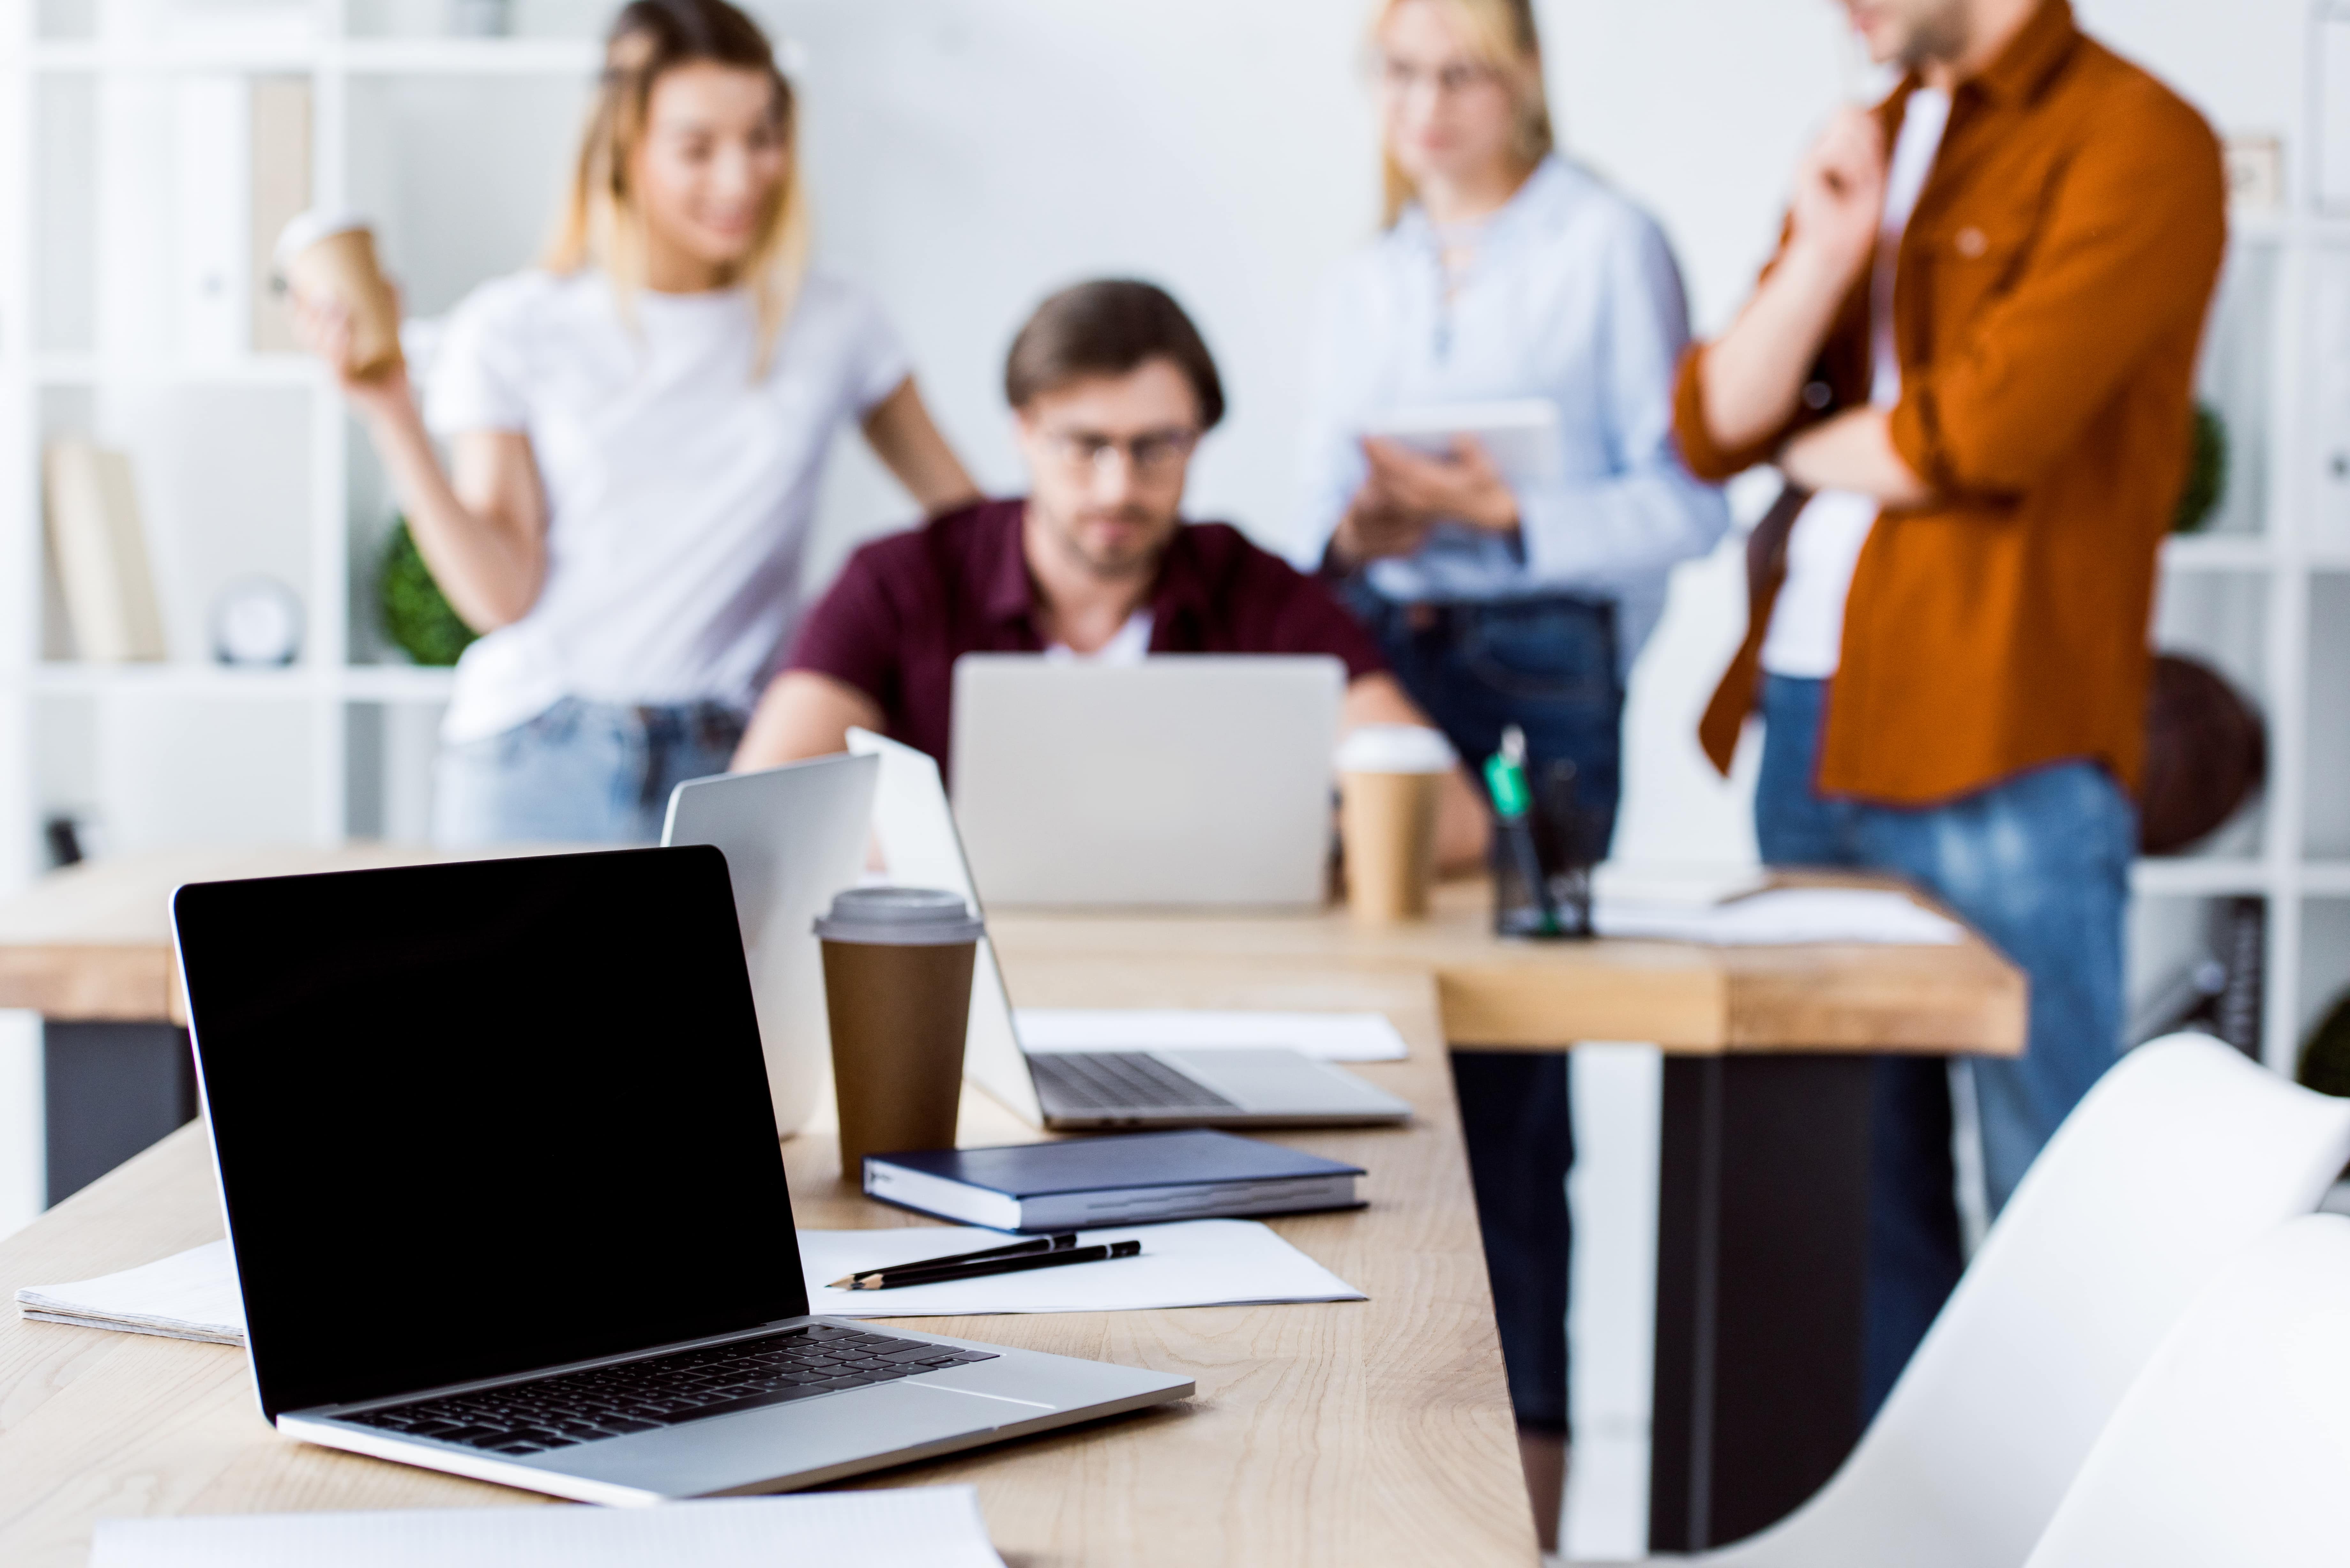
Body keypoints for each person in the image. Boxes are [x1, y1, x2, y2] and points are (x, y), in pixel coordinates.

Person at [1676, 0, 2225, 1414]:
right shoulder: (1871, 136)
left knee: (2053, 1183)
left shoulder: (2138, 139)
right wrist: (1827, 252)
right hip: (1804, 718)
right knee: (1850, 1198)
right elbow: (1714, 421)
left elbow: (1987, 431)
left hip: (2003, 733)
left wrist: (1829, 437)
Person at [1294, 0, 1728, 1537]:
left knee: (1508, 1097)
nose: (1427, 106)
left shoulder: (1605, 242)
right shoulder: (1366, 274)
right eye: (1399, 74)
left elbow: (1689, 505)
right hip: (1376, 650)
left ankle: (1516, 1511)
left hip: (1537, 681)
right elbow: (1306, 511)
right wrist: (1358, 533)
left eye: (1460, 71)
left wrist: (1507, 518)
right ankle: (1361, 1487)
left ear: (1525, 77)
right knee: (1359, 1072)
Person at [296, 0, 979, 845]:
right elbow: (501, 595)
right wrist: (391, 411)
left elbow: (970, 532)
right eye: (697, 148)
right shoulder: (515, 328)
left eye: (763, 138)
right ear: (623, 149)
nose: (740, 179)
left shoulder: (836, 322)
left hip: (741, 759)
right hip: (537, 756)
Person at [732, 278, 1489, 869]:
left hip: (1202, 987)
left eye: (1156, 446)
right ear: (1023, 432)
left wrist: (1287, 849)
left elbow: (1452, 819)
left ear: (1198, 439)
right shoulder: (898, 581)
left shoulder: (1256, 590)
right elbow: (757, 815)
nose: (1117, 486)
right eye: (1083, 445)